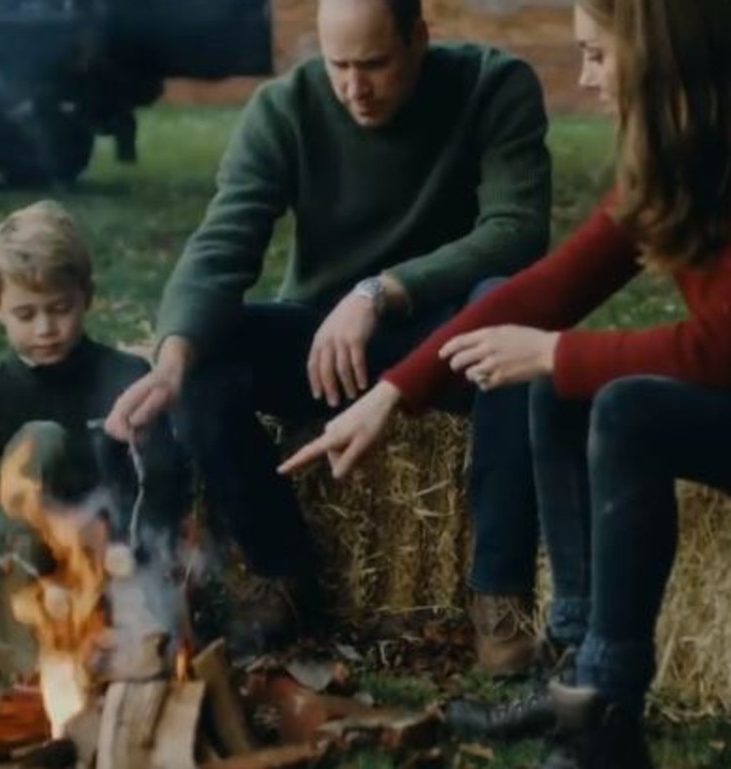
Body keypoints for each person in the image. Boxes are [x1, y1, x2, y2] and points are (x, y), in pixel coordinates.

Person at [281, 0, 731, 765]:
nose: (585, 78)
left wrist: (557, 354)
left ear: (660, 57)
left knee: (617, 402)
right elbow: (539, 291)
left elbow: (721, 348)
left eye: (596, 54)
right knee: (566, 382)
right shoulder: (673, 166)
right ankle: (572, 668)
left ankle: (604, 703)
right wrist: (391, 392)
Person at [105, 0, 552, 667]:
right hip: (323, 345)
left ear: (419, 39)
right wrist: (170, 362)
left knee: (511, 311)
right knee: (205, 357)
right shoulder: (284, 109)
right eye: (338, 64)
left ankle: (499, 594)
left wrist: (381, 289)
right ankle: (282, 571)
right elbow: (222, 247)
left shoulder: (494, 84)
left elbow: (516, 231)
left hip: (446, 332)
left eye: (374, 63)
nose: (353, 87)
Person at [0, 201, 190, 671]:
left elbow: (164, 474)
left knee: (142, 648)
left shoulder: (126, 377)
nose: (45, 328)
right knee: (41, 439)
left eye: (60, 309)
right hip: (13, 555)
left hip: (107, 559)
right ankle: (23, 653)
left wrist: (163, 553)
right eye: (25, 313)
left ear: (87, 297)